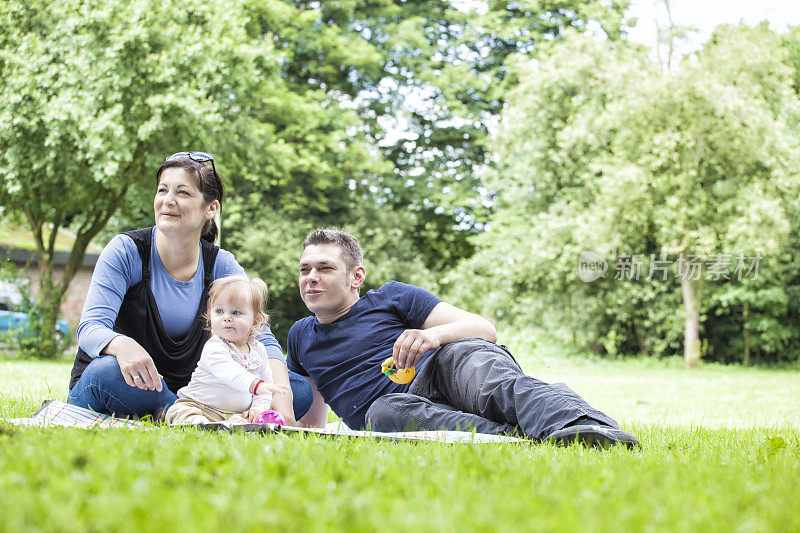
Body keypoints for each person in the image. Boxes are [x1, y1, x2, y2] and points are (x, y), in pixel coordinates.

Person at [287, 229, 639, 447]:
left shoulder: (392, 297)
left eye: (324, 268)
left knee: (483, 372)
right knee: (382, 413)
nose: (311, 278)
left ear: (355, 276)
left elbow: (485, 329)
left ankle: (583, 425)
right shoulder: (301, 335)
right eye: (305, 269)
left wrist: (431, 337)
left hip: (444, 367)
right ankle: (511, 437)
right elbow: (313, 418)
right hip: (399, 409)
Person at [67, 151, 312, 424]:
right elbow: (90, 328)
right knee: (107, 373)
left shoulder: (221, 264)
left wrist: (283, 401)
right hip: (130, 382)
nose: (168, 200)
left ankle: (191, 415)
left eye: (182, 192)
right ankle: (188, 415)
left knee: (295, 388)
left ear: (211, 208)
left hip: (193, 393)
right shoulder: (126, 251)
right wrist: (121, 344)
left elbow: (262, 337)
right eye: (162, 190)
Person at [166, 275, 284, 425]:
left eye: (235, 313)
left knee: (244, 421)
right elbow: (230, 372)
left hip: (233, 413)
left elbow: (266, 387)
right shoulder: (215, 346)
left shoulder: (259, 350)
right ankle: (197, 423)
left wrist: (258, 408)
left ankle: (227, 426)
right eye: (219, 311)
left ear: (255, 321)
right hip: (199, 406)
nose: (226, 318)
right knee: (179, 411)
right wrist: (257, 385)